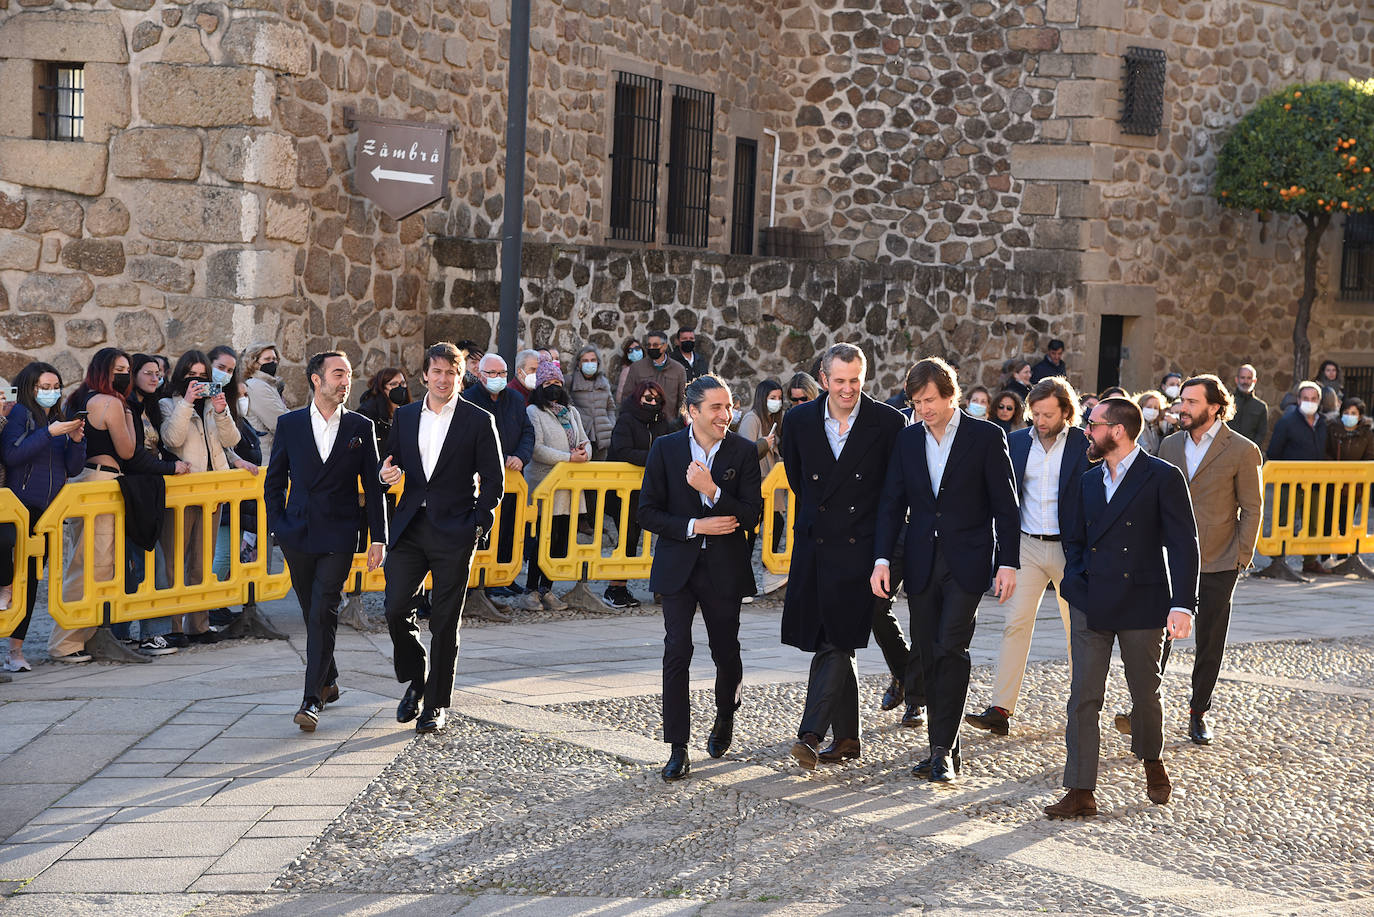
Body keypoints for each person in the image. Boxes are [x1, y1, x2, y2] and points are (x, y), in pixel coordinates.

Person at [1045, 396, 1198, 818]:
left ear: (1117, 430)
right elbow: (1072, 539)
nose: (1086, 433)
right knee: (1083, 697)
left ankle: (1151, 759)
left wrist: (1182, 604)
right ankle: (1080, 790)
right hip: (1091, 599)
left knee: (1145, 693)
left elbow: (1184, 544)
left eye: (1093, 425)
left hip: (1143, 600)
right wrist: (1075, 582)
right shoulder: (1088, 481)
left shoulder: (1162, 476)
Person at [873, 357, 1019, 784]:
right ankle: (945, 745)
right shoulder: (907, 440)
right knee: (927, 649)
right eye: (916, 401)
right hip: (919, 561)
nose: (923, 409)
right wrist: (882, 559)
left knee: (951, 648)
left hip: (968, 561)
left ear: (951, 394)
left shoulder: (986, 437)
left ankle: (941, 752)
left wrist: (1008, 562)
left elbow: (1006, 506)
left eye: (931, 400)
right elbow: (891, 505)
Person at [782, 344, 905, 769]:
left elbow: (894, 493)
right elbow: (800, 480)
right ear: (823, 377)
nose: (848, 388)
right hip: (817, 548)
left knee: (836, 639)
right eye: (840, 381)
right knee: (832, 640)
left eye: (855, 380)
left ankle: (811, 733)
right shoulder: (798, 420)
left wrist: (885, 556)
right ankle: (848, 738)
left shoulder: (889, 423)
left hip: (864, 552)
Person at [638, 375, 762, 781]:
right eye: (716, 407)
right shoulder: (665, 448)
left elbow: (751, 515)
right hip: (678, 566)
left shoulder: (743, 452)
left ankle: (726, 712)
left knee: (725, 650)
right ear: (692, 411)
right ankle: (678, 747)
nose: (726, 415)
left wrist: (711, 490)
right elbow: (647, 512)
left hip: (725, 569)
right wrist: (695, 526)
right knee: (677, 650)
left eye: (729, 406)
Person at [380, 341, 503, 735]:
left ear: (461, 377)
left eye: (451, 372)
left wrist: (478, 524)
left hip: (455, 530)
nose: (444, 379)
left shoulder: (478, 420)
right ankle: (417, 678)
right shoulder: (406, 417)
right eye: (437, 371)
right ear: (425, 375)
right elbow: (391, 463)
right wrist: (387, 476)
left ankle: (435, 704)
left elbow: (494, 481)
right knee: (397, 609)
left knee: (446, 620)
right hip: (410, 527)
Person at [965, 377, 1093, 738]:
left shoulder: (1084, 445)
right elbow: (1001, 498)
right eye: (1035, 413)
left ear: (1067, 412)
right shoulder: (1016, 442)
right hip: (1027, 546)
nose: (1040, 420)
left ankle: (1081, 707)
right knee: (1016, 623)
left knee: (1078, 632)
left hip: (1072, 550)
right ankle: (1001, 708)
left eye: (1048, 414)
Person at [266, 351, 387, 732]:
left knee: (323, 611)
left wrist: (378, 538)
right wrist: (277, 526)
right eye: (338, 374)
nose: (345, 381)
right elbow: (274, 481)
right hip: (297, 533)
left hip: (339, 532)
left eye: (349, 374)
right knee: (311, 611)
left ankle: (311, 699)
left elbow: (373, 486)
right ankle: (329, 678)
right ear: (316, 380)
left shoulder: (360, 426)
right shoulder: (289, 424)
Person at [1154, 375, 1262, 746]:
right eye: (1181, 400)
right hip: (1170, 557)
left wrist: (1241, 557)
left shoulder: (1242, 449)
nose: (1182, 408)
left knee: (1210, 640)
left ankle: (1199, 712)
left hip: (1219, 558)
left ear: (1215, 407)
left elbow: (1252, 508)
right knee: (1157, 634)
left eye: (1191, 402)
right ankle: (1146, 708)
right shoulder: (1168, 445)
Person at [55, 348, 138, 662]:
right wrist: (128, 413)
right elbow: (127, 450)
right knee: (93, 565)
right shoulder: (111, 403)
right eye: (119, 368)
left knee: (85, 562)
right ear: (105, 370)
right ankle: (64, 642)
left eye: (127, 368)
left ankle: (84, 636)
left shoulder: (76, 399)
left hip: (82, 482)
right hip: (102, 482)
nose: (124, 374)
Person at [2, 363, 86, 672]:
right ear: (29, 388)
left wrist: (76, 439)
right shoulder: (20, 415)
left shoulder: (60, 419)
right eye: (44, 387)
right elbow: (12, 455)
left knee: (32, 582)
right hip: (20, 509)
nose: (51, 393)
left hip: (50, 513)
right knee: (11, 579)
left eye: (55, 387)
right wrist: (48, 433)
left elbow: (74, 468)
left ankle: (15, 651)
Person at [160, 349, 241, 644]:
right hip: (182, 494)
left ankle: (199, 624)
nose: (197, 381)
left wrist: (221, 411)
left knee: (201, 562)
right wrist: (186, 403)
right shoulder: (168, 404)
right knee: (174, 562)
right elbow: (172, 439)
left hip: (212, 493)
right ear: (180, 376)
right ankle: (173, 627)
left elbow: (232, 441)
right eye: (191, 376)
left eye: (202, 377)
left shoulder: (212, 406)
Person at [118, 354, 189, 654]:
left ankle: (142, 632)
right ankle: (134, 633)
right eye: (148, 373)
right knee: (133, 567)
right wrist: (171, 469)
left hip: (147, 492)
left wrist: (174, 463)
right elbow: (133, 455)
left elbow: (158, 449)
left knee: (148, 565)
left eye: (158, 373)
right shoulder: (125, 407)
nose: (154, 378)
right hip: (130, 493)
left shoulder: (149, 405)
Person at [463, 353, 534, 608]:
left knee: (508, 530)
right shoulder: (469, 399)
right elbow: (469, 437)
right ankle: (475, 586)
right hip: (482, 480)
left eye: (502, 373)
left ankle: (498, 581)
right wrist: (499, 458)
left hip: (513, 478)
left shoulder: (515, 399)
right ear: (480, 375)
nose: (497, 378)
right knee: (483, 531)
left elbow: (527, 431)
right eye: (491, 373)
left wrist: (521, 457)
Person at [520, 356, 591, 611]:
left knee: (560, 538)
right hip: (544, 485)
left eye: (556, 382)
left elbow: (584, 439)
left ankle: (547, 589)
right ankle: (530, 590)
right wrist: (568, 458)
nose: (553, 386)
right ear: (539, 386)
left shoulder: (571, 412)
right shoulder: (533, 412)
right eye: (548, 382)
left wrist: (584, 453)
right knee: (540, 539)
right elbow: (537, 449)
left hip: (568, 488)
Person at [602, 380, 673, 609]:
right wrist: (654, 457)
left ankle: (662, 586)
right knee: (628, 537)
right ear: (638, 398)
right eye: (647, 398)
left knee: (660, 537)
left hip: (651, 491)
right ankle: (616, 588)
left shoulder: (663, 423)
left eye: (656, 399)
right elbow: (622, 451)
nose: (652, 402)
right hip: (623, 492)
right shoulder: (626, 421)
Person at [1265, 381, 1328, 575]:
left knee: (1313, 523)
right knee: (1284, 521)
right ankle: (1278, 560)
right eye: (1306, 398)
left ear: (1319, 401)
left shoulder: (1324, 423)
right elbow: (1274, 451)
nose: (1310, 402)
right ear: (1299, 400)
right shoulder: (1287, 422)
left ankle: (1310, 561)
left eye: (1314, 399)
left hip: (1315, 483)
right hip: (1289, 483)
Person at [566, 345, 618, 462]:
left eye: (592, 360)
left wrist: (610, 424)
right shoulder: (570, 381)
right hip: (581, 437)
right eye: (585, 360)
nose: (589, 363)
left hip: (602, 438)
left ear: (598, 363)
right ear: (578, 363)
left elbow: (610, 407)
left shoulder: (604, 383)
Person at [624, 331, 688, 422]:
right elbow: (627, 396)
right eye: (649, 345)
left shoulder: (678, 369)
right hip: (642, 424)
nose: (651, 348)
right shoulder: (637, 368)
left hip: (668, 424)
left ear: (665, 346)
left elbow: (683, 400)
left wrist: (678, 422)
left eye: (655, 345)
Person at [241, 342, 290, 459]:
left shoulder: (268, 384)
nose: (272, 362)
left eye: (274, 359)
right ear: (254, 363)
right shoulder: (257, 385)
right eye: (267, 359)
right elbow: (278, 421)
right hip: (265, 454)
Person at [357, 368, 409, 454]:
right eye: (393, 384)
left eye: (402, 383)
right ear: (382, 387)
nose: (400, 387)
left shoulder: (408, 412)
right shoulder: (369, 413)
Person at [1231, 364, 1268, 448]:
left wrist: (1251, 448)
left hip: (1249, 451)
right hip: (1227, 450)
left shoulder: (1260, 407)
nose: (1245, 381)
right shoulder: (1228, 402)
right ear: (1237, 380)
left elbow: (1261, 433)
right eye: (1242, 378)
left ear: (1254, 381)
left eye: (1249, 378)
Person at [1135, 390, 1171, 455]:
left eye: (1156, 408)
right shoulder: (1135, 426)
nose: (1152, 410)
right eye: (1149, 407)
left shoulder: (1157, 427)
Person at [615, 338, 644, 402]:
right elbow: (619, 397)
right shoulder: (627, 372)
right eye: (630, 350)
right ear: (628, 355)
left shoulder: (649, 368)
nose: (635, 352)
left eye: (637, 348)